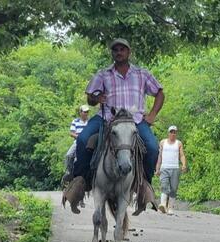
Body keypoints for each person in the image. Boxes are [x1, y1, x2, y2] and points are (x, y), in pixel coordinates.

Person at [62, 38, 164, 215]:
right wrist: (96, 98)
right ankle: (79, 181)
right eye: (115, 49)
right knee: (83, 139)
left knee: (153, 148)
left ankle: (144, 186)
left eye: (122, 49)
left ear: (128, 52)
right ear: (112, 53)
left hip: (135, 120)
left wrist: (152, 115)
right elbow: (90, 98)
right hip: (106, 118)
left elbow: (160, 93)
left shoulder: (142, 74)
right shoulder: (103, 74)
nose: (119, 52)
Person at [155, 125, 187, 214]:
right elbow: (160, 156)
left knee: (173, 188)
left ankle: (170, 207)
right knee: (164, 186)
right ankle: (163, 205)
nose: (173, 134)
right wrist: (157, 169)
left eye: (174, 132)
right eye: (171, 132)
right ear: (168, 133)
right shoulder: (162, 142)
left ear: (176, 134)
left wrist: (184, 164)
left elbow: (182, 155)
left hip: (175, 168)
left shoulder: (179, 143)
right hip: (164, 168)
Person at [62, 104, 90, 186]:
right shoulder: (75, 121)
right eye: (84, 112)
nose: (86, 113)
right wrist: (80, 137)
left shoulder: (90, 122)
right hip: (77, 142)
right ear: (80, 112)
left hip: (88, 142)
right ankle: (69, 171)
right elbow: (71, 133)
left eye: (87, 112)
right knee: (69, 154)